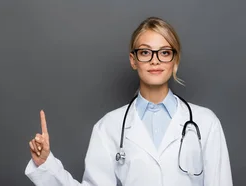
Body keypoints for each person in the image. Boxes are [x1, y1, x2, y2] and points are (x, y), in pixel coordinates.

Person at [25, 17, 232, 185]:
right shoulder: (108, 127)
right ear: (133, 60)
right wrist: (46, 165)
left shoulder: (205, 123)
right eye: (145, 52)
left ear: (174, 60)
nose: (155, 60)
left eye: (165, 52)